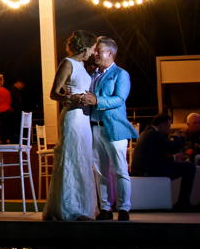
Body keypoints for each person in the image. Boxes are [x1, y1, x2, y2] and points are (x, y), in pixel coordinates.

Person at [42, 30, 99, 222]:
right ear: (85, 47)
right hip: (72, 117)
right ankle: (69, 209)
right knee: (71, 159)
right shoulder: (67, 64)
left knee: (83, 159)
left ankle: (83, 207)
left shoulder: (83, 65)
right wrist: (70, 97)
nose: (93, 52)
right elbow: (53, 93)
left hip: (84, 119)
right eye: (92, 48)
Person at [80, 37, 139, 220]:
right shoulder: (92, 75)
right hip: (95, 128)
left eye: (100, 50)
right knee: (100, 171)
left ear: (110, 53)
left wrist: (96, 100)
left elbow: (119, 99)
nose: (95, 53)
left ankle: (124, 208)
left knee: (120, 169)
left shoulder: (121, 74)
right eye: (95, 50)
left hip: (114, 128)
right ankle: (105, 208)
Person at [132, 113, 196, 209]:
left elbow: (154, 157)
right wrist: (177, 137)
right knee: (190, 167)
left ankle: (183, 201)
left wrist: (173, 159)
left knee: (184, 166)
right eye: (168, 127)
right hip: (151, 171)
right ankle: (183, 202)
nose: (168, 130)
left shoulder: (146, 133)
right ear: (162, 125)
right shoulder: (154, 134)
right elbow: (173, 148)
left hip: (144, 169)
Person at [0, 74, 16, 143]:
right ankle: (8, 139)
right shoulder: (7, 91)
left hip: (0, 111)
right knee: (7, 127)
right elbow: (10, 101)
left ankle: (2, 141)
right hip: (8, 110)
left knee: (1, 127)